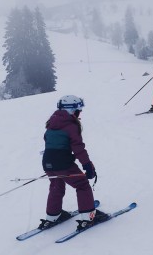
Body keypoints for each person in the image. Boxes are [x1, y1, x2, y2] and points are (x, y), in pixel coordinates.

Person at [38, 95, 109, 231]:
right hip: (63, 164)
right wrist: (87, 165)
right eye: (78, 110)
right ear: (71, 110)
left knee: (56, 186)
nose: (79, 113)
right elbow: (78, 149)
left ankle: (53, 216)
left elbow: (50, 143)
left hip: (48, 163)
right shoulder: (71, 126)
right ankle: (88, 217)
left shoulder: (50, 124)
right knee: (82, 185)